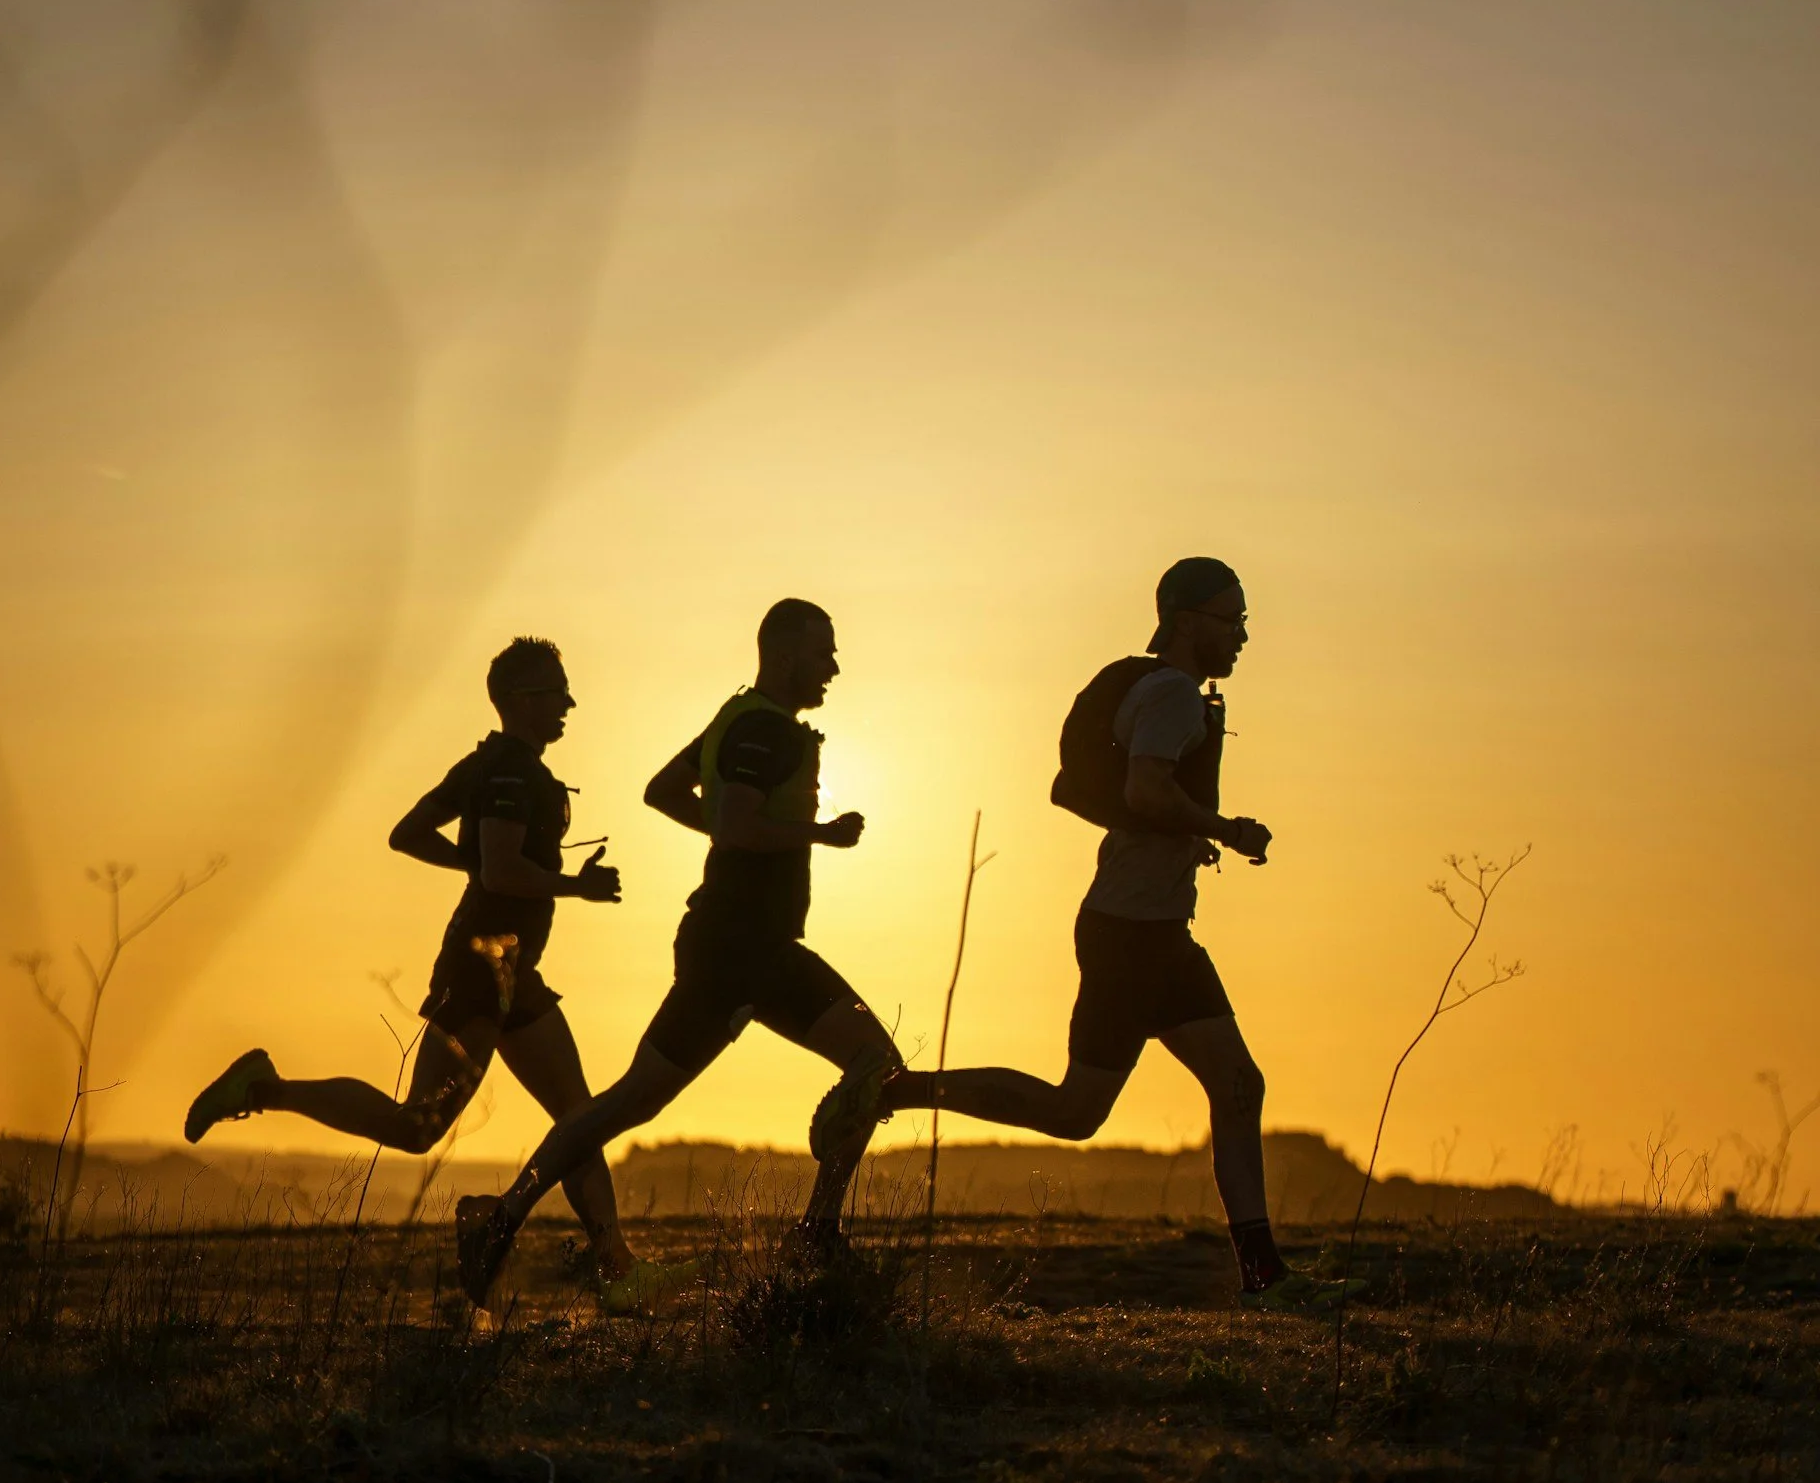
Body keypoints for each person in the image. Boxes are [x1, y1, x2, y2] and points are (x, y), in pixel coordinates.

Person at [811, 557, 1356, 1309]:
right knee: (1079, 1111)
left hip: (1154, 930)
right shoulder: (1173, 695)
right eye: (1232, 620)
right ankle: (894, 1090)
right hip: (1132, 934)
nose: (1242, 636)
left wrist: (1190, 836)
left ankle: (1264, 1277)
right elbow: (1146, 790)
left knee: (1230, 1086)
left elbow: (1142, 800)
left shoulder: (1169, 693)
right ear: (1187, 621)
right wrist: (1224, 829)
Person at [453, 598, 899, 1304]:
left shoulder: (735, 718)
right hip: (743, 947)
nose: (834, 668)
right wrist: (819, 834)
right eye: (823, 653)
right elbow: (737, 824)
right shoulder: (765, 731)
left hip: (737, 944)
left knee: (632, 1101)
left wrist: (731, 827)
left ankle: (501, 1220)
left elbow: (663, 792)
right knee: (877, 1062)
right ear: (785, 657)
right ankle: (817, 1234)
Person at [183, 636, 652, 1298]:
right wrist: (575, 886)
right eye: (557, 692)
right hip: (483, 969)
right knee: (418, 1127)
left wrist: (480, 866)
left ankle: (618, 1266)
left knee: (579, 1116)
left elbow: (410, 835)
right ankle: (265, 1089)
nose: (569, 704)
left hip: (511, 969)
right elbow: (501, 869)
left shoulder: (486, 765)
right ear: (521, 701)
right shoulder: (511, 773)